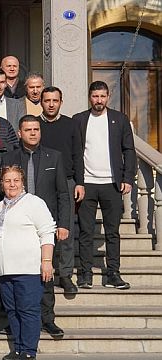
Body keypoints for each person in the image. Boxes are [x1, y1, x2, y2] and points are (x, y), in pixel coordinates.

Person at [0, 115, 70, 339]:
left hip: (45, 227)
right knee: (17, 277)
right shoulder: (9, 157)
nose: (33, 133)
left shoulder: (54, 157)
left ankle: (47, 319)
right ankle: (17, 321)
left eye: (36, 129)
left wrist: (64, 224)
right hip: (17, 229)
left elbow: (62, 194)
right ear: (19, 133)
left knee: (46, 272)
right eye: (28, 129)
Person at [0, 165, 56, 360]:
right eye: (7, 180)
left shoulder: (34, 203)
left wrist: (46, 261)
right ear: (1, 183)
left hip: (28, 269)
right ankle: (19, 348)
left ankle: (29, 352)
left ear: (22, 183)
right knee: (12, 310)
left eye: (16, 180)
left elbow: (47, 232)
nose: (12, 184)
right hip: (5, 270)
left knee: (28, 310)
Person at [73, 81, 136, 290]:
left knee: (112, 232)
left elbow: (129, 150)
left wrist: (128, 178)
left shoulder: (119, 119)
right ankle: (85, 274)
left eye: (102, 96)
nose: (98, 100)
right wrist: (77, 182)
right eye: (95, 96)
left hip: (112, 184)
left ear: (108, 96)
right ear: (89, 97)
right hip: (87, 184)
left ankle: (113, 274)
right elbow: (75, 154)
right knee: (85, 232)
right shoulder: (79, 120)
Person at [39, 86, 85, 294]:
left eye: (54, 100)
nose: (51, 104)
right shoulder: (35, 125)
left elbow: (78, 155)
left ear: (60, 102)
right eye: (47, 100)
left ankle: (65, 274)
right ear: (41, 102)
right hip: (41, 181)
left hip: (66, 182)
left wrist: (80, 183)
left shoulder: (71, 125)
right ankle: (40, 270)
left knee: (65, 229)